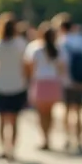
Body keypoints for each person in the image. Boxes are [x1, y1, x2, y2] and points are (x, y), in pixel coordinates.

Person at [0, 12, 28, 161]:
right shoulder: (21, 43)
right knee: (14, 120)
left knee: (2, 120)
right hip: (17, 84)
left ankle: (3, 148)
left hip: (0, 85)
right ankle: (12, 149)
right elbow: (24, 65)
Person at [24, 23, 66, 151]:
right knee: (50, 113)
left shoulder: (35, 48)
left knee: (41, 114)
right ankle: (49, 136)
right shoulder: (58, 49)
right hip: (53, 82)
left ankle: (45, 138)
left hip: (40, 82)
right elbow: (62, 68)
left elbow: (29, 66)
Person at [57, 15, 82, 151]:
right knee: (79, 111)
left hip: (66, 81)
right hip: (81, 80)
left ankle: (67, 138)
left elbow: (60, 64)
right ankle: (79, 140)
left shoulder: (61, 42)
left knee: (67, 111)